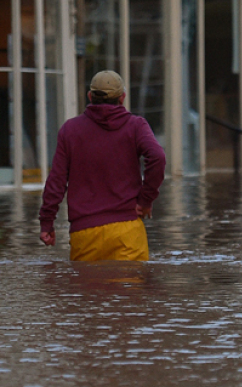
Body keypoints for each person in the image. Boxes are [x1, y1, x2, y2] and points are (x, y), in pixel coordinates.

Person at [39, 70, 166, 261]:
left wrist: (47, 222)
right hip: (127, 229)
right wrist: (146, 200)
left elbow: (56, 181)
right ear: (122, 97)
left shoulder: (70, 130)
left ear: (90, 96)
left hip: (85, 232)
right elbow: (157, 157)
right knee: (131, 289)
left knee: (89, 290)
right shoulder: (136, 126)